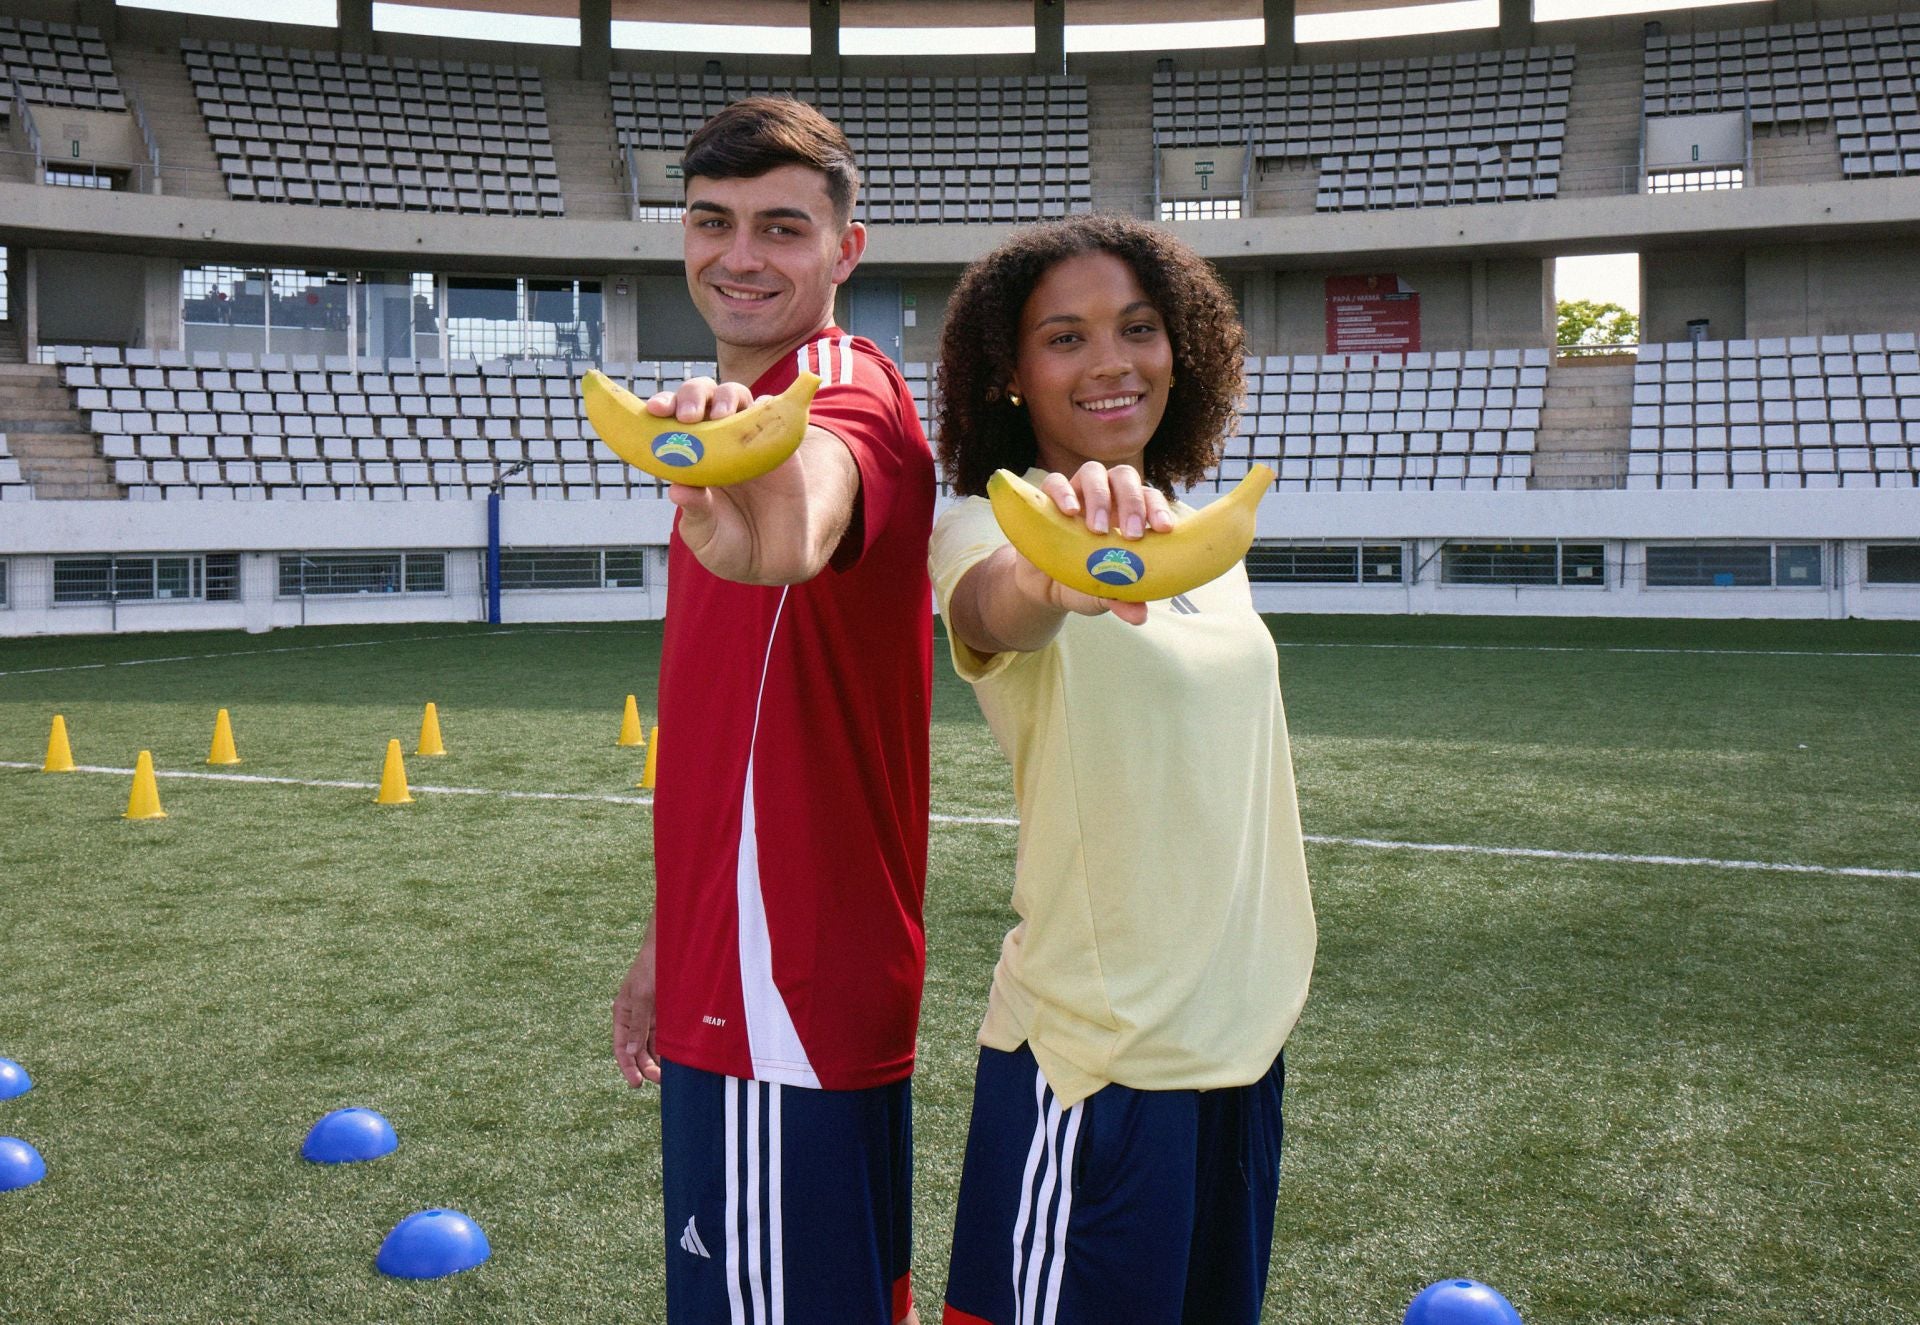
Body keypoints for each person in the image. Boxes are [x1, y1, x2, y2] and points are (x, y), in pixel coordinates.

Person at [927, 214, 1317, 1325]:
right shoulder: (989, 525)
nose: (1111, 361)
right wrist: (1055, 579)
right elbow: (991, 606)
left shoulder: (1202, 538)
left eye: (1138, 328)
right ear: (1011, 372)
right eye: (1065, 337)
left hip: (1240, 1051)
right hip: (1098, 1066)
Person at [610, 97, 934, 1325]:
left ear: (846, 250)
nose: (739, 255)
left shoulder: (840, 388)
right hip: (744, 966)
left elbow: (807, 520)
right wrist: (668, 936)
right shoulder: (743, 414)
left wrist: (764, 486)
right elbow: (730, 722)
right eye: (712, 220)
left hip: (782, 987)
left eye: (781, 227)